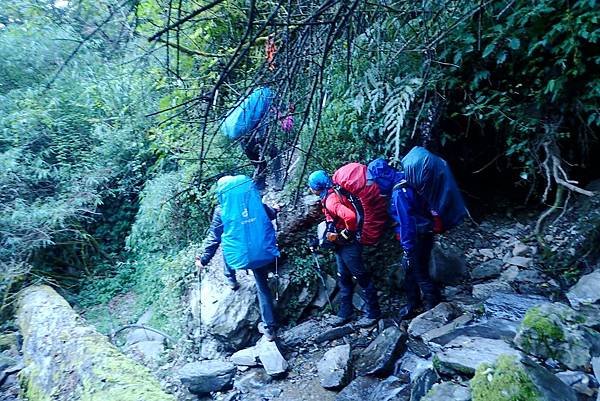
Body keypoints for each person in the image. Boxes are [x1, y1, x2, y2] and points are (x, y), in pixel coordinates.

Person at [196, 175, 279, 340]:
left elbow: (214, 238)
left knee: (228, 246)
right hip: (261, 254)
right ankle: (270, 328)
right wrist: (276, 209)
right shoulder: (255, 204)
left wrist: (203, 259)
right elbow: (271, 214)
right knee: (263, 288)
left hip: (239, 257)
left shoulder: (221, 211)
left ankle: (231, 279)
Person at [367, 158, 442, 320]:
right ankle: (414, 304)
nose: (375, 186)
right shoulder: (408, 178)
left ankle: (435, 308)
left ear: (381, 177)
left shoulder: (398, 192)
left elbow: (406, 223)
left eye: (375, 181)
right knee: (412, 271)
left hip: (417, 236)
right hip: (426, 230)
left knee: (418, 271)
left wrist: (407, 247)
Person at [308, 170, 381, 327]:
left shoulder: (330, 200)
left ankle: (373, 313)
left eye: (311, 186)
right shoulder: (330, 193)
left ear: (317, 187)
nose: (310, 189)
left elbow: (350, 217)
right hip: (341, 245)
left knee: (361, 277)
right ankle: (345, 312)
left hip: (349, 245)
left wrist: (347, 233)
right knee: (343, 278)